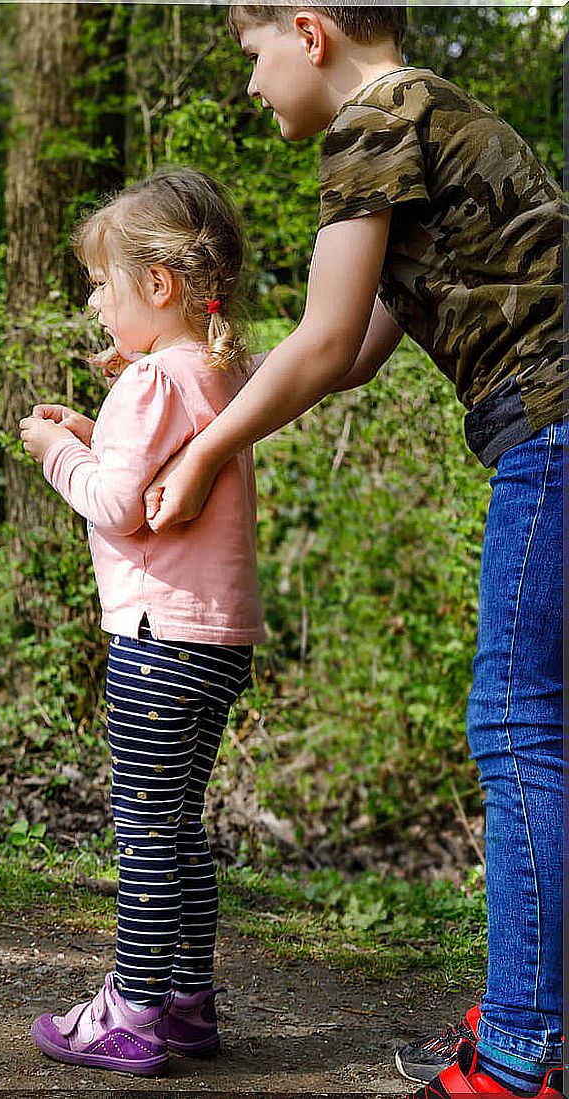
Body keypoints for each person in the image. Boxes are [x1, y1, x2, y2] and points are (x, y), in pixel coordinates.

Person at [147, 7, 565, 1098]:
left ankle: (520, 1052)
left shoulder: (374, 121)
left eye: (251, 56)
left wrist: (196, 457)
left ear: (308, 31)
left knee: (519, 725)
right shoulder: (435, 114)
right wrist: (189, 386)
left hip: (554, 428)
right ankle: (539, 1005)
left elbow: (326, 339)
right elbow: (349, 353)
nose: (251, 85)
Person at [18, 167, 265, 1078]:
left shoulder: (150, 379)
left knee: (146, 827)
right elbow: (150, 459)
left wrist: (56, 454)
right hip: (219, 639)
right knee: (179, 821)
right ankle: (189, 1001)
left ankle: (130, 1008)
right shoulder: (217, 368)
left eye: (101, 283)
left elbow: (117, 505)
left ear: (156, 286)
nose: (93, 300)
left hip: (157, 639)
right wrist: (94, 429)